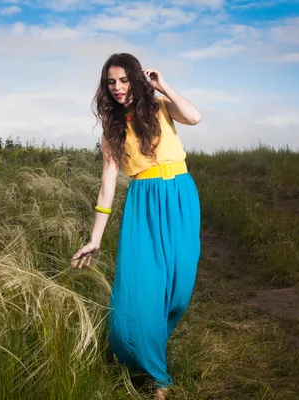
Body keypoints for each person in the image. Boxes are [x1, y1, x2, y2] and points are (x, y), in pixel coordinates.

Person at [71, 53, 201, 400]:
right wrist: (95, 237)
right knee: (143, 290)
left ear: (137, 79)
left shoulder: (160, 106)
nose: (118, 88)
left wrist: (163, 85)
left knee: (179, 289)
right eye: (111, 82)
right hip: (144, 203)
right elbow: (107, 184)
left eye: (124, 80)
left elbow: (194, 116)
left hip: (182, 195)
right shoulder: (112, 130)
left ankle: (151, 344)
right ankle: (158, 376)